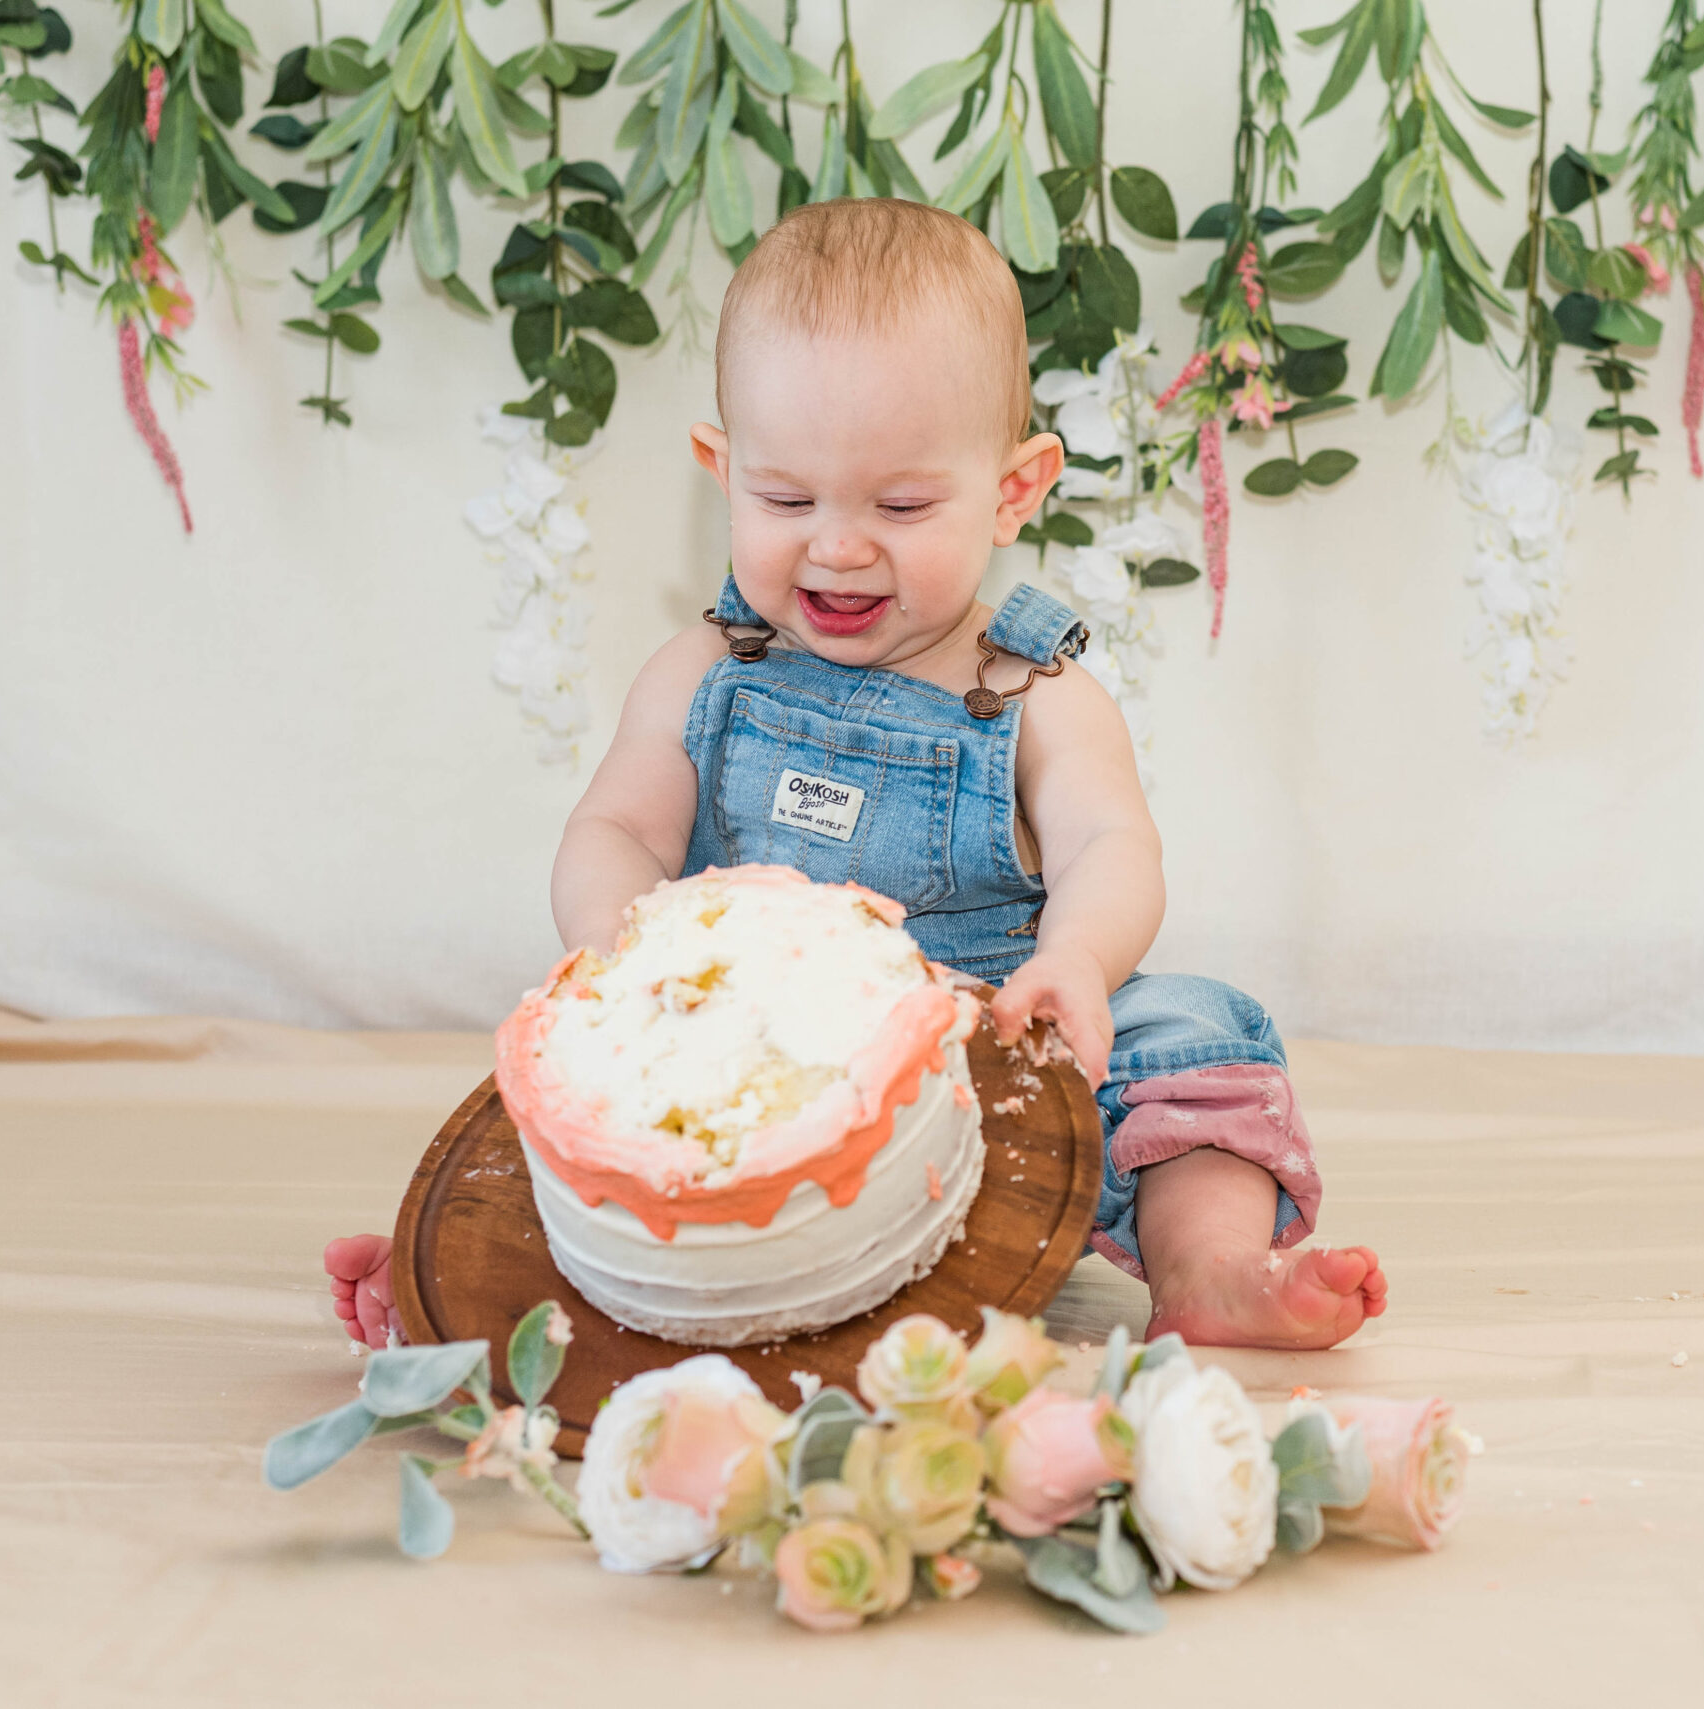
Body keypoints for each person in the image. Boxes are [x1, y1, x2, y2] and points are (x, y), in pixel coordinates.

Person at [328, 198, 1384, 1352]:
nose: (836, 544)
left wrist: (1073, 961)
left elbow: (1109, 847)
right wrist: (633, 956)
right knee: (570, 1096)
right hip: (747, 1069)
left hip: (993, 1066)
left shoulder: (1034, 693)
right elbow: (615, 828)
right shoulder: (699, 670)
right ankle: (474, 1287)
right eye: (785, 499)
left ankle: (1212, 1268)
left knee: (1198, 1028)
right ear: (720, 470)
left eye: (900, 503)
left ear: (1015, 489)